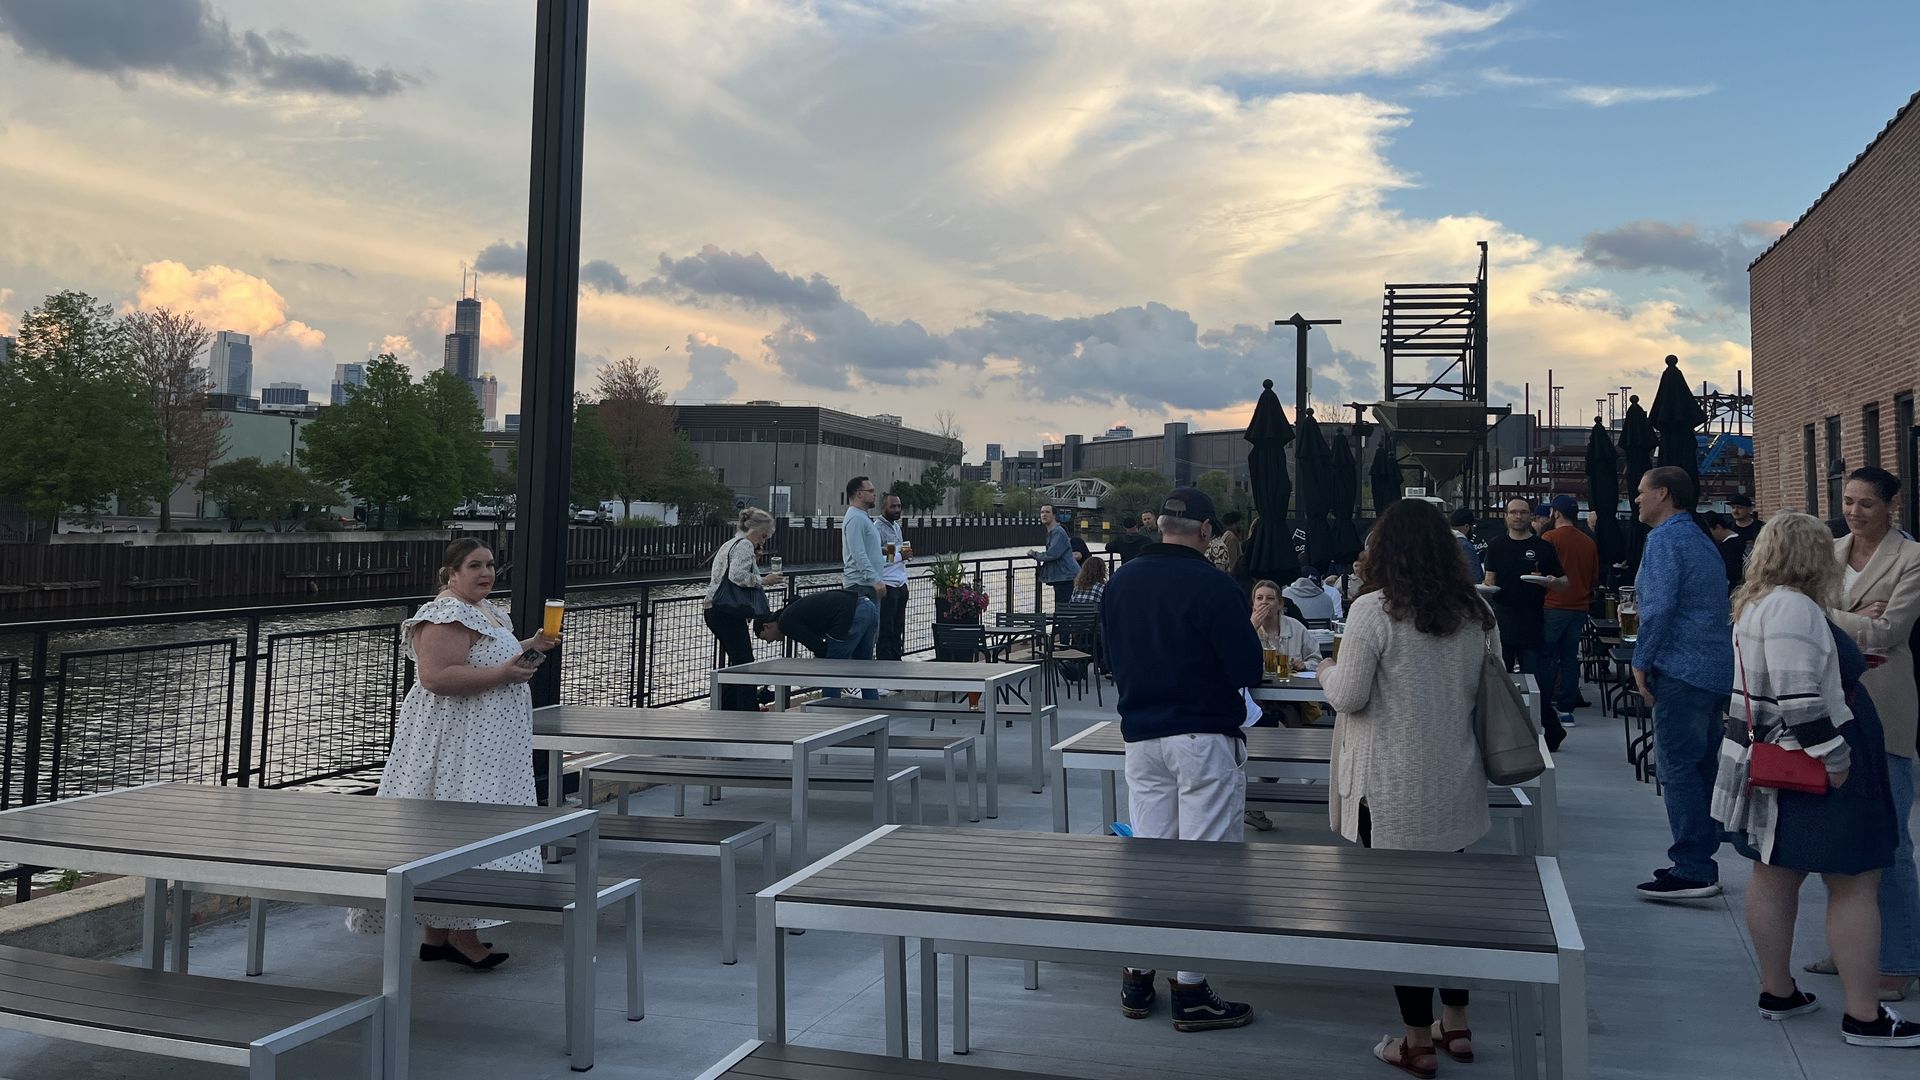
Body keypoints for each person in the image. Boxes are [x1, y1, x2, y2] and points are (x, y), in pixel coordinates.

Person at [1320, 498, 1500, 1074]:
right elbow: (1491, 686)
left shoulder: (1372, 610)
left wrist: (1325, 670)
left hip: (1388, 786)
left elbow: (1349, 696)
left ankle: (1416, 1041)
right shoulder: (1478, 611)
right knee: (1452, 908)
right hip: (1455, 778)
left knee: (1401, 913)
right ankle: (1457, 1023)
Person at [1716, 511, 1910, 1045]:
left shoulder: (1760, 604)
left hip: (1780, 764)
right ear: (1812, 556)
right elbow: (1799, 699)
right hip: (1813, 765)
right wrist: (1836, 759)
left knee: (1775, 873)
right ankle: (1864, 1016)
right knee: (1855, 882)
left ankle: (1778, 991)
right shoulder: (1793, 608)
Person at [345, 539, 557, 967]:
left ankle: (437, 936)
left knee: (458, 819)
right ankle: (463, 934)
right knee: (465, 822)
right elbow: (436, 677)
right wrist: (504, 674)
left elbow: (481, 656)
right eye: (474, 566)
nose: (486, 573)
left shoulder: (485, 609)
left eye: (490, 564)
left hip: (485, 738)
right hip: (461, 742)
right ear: (451, 573)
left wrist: (529, 644)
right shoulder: (445, 613)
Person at [1102, 486, 1261, 1032]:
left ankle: (1137, 975)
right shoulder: (1215, 586)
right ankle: (1190, 989)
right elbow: (1246, 668)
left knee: (1151, 860)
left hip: (1142, 736)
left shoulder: (1120, 582)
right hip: (1202, 737)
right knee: (1203, 866)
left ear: (1160, 525)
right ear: (1206, 531)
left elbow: (1110, 657)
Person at [1813, 466, 1920, 1000]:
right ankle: (1851, 946)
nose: (1854, 512)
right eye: (1848, 501)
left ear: (1891, 506)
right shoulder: (1829, 551)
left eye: (1866, 504)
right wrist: (1852, 616)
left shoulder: (1912, 558)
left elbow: (1890, 630)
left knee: (1891, 840)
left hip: (1886, 705)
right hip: (1831, 703)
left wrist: (1829, 615)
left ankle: (1900, 959)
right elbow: (1808, 613)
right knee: (1841, 836)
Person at [1631, 466, 1736, 900]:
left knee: (1676, 768)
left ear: (1663, 494)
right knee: (1702, 765)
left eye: (1641, 491)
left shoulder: (1665, 540)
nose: (1636, 498)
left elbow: (1658, 608)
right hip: (1712, 669)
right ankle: (1702, 856)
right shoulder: (1699, 538)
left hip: (1680, 668)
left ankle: (1693, 866)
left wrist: (1641, 659)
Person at [1481, 498, 1570, 750]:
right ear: (1505, 516)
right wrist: (1483, 592)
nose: (1518, 516)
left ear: (1531, 516)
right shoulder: (1496, 546)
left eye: (1522, 512)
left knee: (1536, 683)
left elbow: (1564, 583)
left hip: (1532, 621)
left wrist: (1552, 582)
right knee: (1499, 683)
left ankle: (1552, 731)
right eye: (1513, 512)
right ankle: (1502, 735)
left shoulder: (1542, 547)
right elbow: (1489, 582)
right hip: (1503, 621)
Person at [703, 507, 785, 710]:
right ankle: (747, 709)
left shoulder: (730, 543)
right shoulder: (745, 545)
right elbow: (737, 576)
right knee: (745, 661)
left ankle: (728, 706)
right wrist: (764, 580)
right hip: (726, 611)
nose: (763, 542)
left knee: (738, 660)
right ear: (758, 531)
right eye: (764, 536)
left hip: (714, 607)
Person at [753, 588, 879, 699]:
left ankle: (828, 712)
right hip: (867, 605)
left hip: (849, 614)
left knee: (830, 672)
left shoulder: (785, 623)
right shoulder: (793, 612)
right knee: (864, 666)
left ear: (767, 626)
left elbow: (819, 648)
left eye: (765, 638)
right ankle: (873, 708)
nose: (769, 642)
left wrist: (815, 665)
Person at [1540, 495, 1599, 733]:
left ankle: (1544, 706)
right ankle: (1567, 709)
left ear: (1555, 512)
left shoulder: (1549, 538)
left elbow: (1540, 572)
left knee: (1545, 657)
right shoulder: (1588, 542)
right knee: (1570, 658)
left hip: (1553, 604)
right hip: (1579, 607)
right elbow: (1594, 577)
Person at [1248, 578, 1320, 736]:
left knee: (1288, 712)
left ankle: (1292, 741)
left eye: (1270, 598)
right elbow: (1237, 660)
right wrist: (1251, 630)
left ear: (1280, 604)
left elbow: (1317, 661)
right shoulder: (1245, 629)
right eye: (1259, 598)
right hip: (1257, 697)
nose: (1264, 602)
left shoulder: (1296, 627)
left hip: (1292, 696)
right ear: (1253, 604)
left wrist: (1304, 665)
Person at [874, 492, 910, 662]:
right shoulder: (877, 528)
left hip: (900, 583)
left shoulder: (896, 527)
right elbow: (876, 559)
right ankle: (885, 664)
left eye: (899, 506)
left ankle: (896, 660)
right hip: (887, 583)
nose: (897, 509)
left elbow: (893, 552)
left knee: (898, 627)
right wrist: (899, 555)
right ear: (883, 508)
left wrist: (903, 554)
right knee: (886, 628)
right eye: (893, 506)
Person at [841, 476, 887, 607]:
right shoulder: (856, 518)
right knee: (866, 619)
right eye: (871, 491)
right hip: (860, 587)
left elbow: (863, 548)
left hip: (866, 586)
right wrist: (876, 580)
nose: (874, 494)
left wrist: (880, 550)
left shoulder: (862, 516)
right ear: (859, 494)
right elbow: (858, 553)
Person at [1033, 504, 1081, 608]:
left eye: (1047, 512)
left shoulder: (1058, 532)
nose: (1044, 515)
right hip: (1062, 576)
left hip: (1067, 577)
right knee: (1062, 607)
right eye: (1042, 512)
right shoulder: (1053, 532)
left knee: (1063, 609)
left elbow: (1052, 554)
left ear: (1054, 515)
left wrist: (1034, 554)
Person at [1705, 511, 1748, 593]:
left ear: (1718, 527)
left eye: (1709, 533)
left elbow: (1732, 573)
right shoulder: (1738, 540)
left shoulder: (1731, 546)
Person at [1450, 507, 1483, 581]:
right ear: (1466, 527)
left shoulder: (1442, 541)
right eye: (1473, 526)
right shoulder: (1465, 546)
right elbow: (1475, 577)